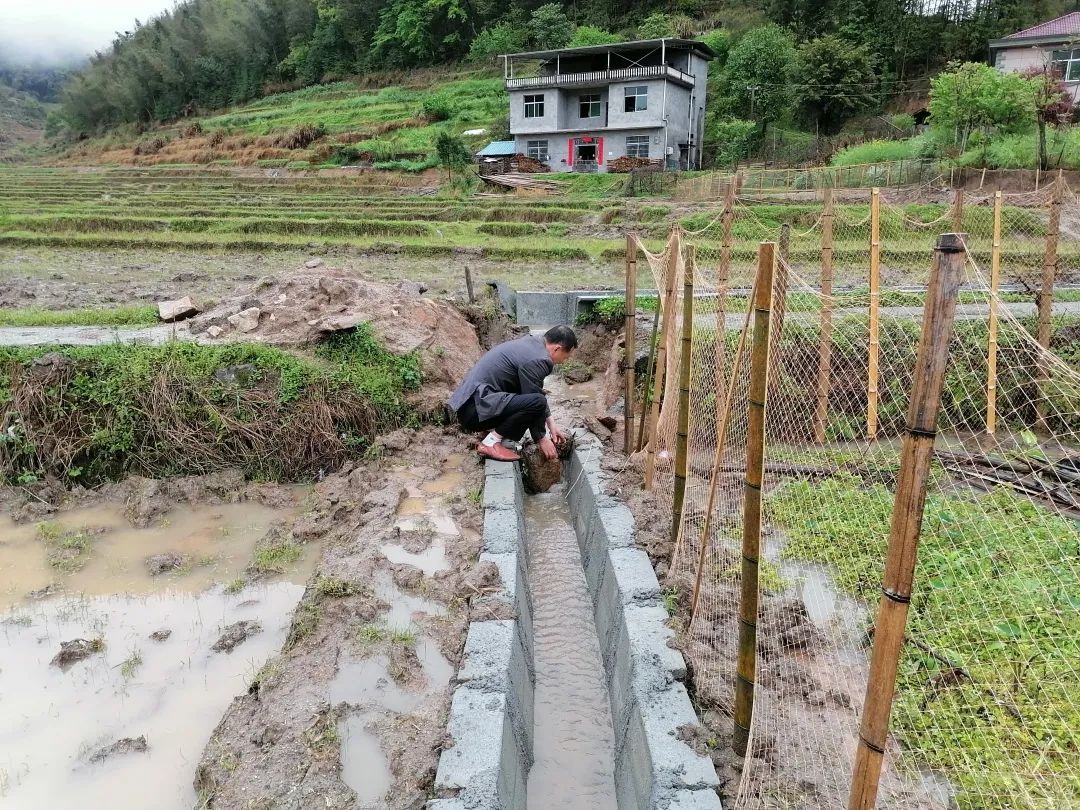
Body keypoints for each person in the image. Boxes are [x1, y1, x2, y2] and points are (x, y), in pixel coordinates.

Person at [449, 326, 577, 462]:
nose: (565, 361)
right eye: (566, 356)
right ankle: (491, 442)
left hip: (470, 406)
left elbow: (534, 390)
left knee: (533, 398)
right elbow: (537, 400)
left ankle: (488, 432)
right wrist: (541, 438)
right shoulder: (540, 359)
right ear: (557, 348)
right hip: (474, 412)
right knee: (537, 402)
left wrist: (551, 424)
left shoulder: (532, 344)